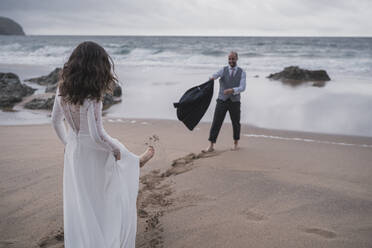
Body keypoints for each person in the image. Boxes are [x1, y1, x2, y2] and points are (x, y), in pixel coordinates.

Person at [51, 41, 154, 248]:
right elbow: (98, 136)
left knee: (83, 200)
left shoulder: (62, 88)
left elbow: (55, 121)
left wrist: (68, 143)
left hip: (74, 150)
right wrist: (114, 150)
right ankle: (134, 161)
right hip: (93, 150)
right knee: (107, 192)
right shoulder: (92, 96)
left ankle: (133, 160)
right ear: (97, 66)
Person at [204, 51, 246, 152]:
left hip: (235, 101)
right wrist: (212, 77)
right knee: (216, 122)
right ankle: (211, 145)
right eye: (229, 59)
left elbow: (243, 87)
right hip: (222, 100)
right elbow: (215, 75)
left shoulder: (242, 72)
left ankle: (236, 144)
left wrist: (232, 90)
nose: (231, 61)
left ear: (237, 59)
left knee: (236, 123)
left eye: (233, 59)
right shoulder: (223, 70)